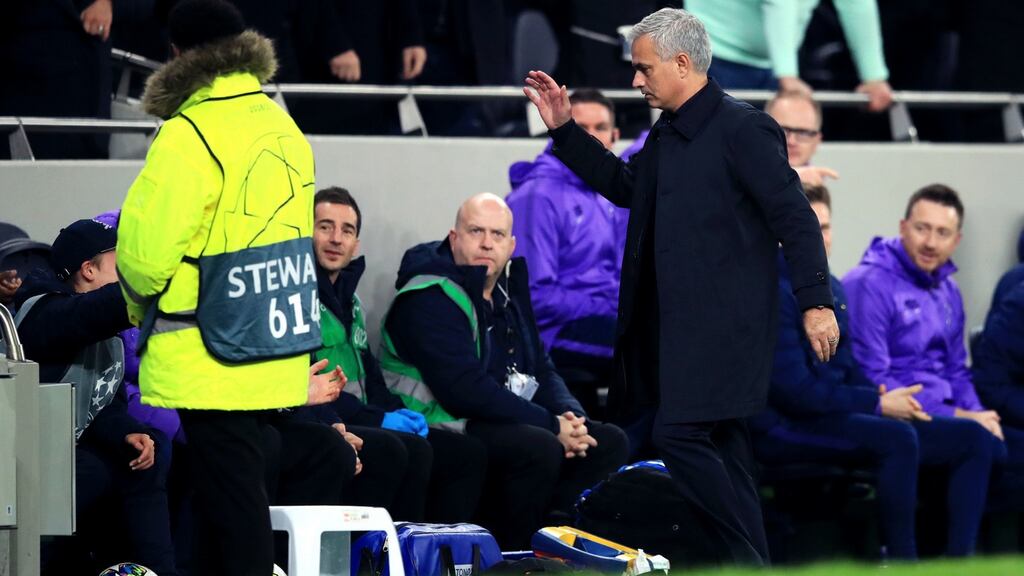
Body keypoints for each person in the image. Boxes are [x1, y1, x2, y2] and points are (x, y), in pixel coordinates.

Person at [524, 7, 838, 565]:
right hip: (677, 334)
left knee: (679, 436)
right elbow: (625, 186)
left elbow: (795, 217)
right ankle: (755, 564)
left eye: (644, 68)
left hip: (728, 331)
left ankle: (745, 562)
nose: (636, 80)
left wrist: (816, 302)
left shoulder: (745, 128)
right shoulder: (667, 134)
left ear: (683, 62)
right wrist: (565, 131)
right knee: (727, 451)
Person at [114, 2, 345, 574]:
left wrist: (138, 306)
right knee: (230, 502)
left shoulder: (189, 132)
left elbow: (143, 260)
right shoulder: (284, 126)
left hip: (207, 353)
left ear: (176, 54)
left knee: (235, 511)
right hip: (273, 344)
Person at [750, 185, 998, 558]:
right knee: (897, 438)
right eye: (807, 227)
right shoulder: (768, 291)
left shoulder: (828, 286)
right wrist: (879, 404)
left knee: (975, 439)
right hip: (782, 426)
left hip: (832, 411)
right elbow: (795, 393)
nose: (819, 239)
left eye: (826, 228)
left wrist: (880, 399)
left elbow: (849, 369)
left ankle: (957, 562)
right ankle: (901, 560)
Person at [380, 193, 628, 549]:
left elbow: (541, 366)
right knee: (538, 445)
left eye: (497, 235)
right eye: (475, 231)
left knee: (607, 441)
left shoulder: (505, 296)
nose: (486, 243)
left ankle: (562, 545)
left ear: (510, 245)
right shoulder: (429, 296)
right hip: (441, 420)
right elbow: (464, 389)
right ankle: (516, 555)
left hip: (493, 416)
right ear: (454, 238)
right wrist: (551, 425)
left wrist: (571, 417)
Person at [304, 186, 487, 522]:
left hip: (361, 416)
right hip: (327, 419)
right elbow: (307, 382)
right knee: (404, 451)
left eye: (347, 230)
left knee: (466, 453)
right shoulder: (300, 299)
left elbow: (370, 376)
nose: (336, 239)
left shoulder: (350, 302)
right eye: (325, 226)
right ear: (307, 232)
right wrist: (379, 419)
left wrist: (394, 411)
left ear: (356, 244)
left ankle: (435, 556)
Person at [844, 184, 1024, 509]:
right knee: (977, 440)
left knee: (1000, 443)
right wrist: (961, 415)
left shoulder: (949, 290)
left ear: (956, 241)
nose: (930, 242)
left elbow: (957, 370)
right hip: (892, 412)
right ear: (902, 228)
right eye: (922, 229)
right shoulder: (868, 284)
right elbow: (873, 376)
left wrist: (980, 413)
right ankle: (959, 558)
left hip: (945, 412)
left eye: (942, 233)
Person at [15, 218, 178, 575]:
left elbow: (103, 399)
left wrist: (125, 432)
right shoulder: (42, 313)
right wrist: (151, 284)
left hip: (70, 449)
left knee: (148, 450)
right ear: (88, 270)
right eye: (122, 265)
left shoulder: (105, 330)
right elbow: (86, 315)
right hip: (26, 460)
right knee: (93, 473)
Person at [505, 88, 629, 413]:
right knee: (650, 351)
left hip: (597, 316)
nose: (591, 137)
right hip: (552, 333)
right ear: (561, 128)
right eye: (580, 127)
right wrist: (610, 304)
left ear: (615, 136)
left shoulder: (606, 194)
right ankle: (631, 454)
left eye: (600, 128)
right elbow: (534, 299)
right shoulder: (538, 196)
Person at [684, 0, 892, 112]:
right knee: (710, 158)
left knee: (768, 164)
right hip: (713, 55)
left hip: (776, 67)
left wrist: (873, 77)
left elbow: (856, 4)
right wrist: (787, 75)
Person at [764, 91, 839, 187]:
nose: (792, 141)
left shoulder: (820, 188)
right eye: (782, 130)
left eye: (803, 133)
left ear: (817, 141)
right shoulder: (741, 172)